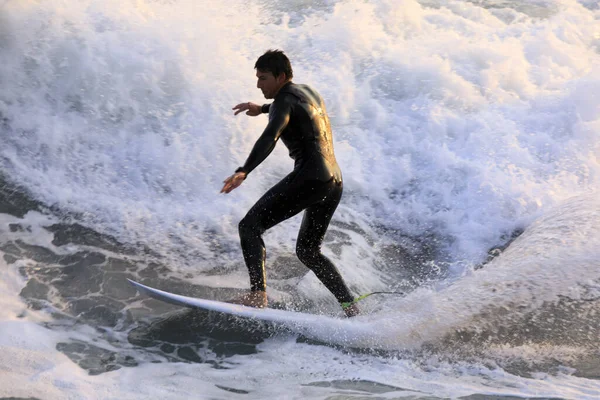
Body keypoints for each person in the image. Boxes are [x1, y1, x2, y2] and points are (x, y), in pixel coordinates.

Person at [220, 50, 359, 317]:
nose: (259, 84)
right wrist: (260, 108)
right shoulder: (308, 92)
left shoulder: (284, 100)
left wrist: (244, 170)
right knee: (308, 251)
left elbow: (271, 135)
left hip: (311, 176)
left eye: (263, 78)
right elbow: (293, 108)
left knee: (249, 226)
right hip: (334, 180)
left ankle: (257, 294)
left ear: (280, 76)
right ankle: (350, 307)